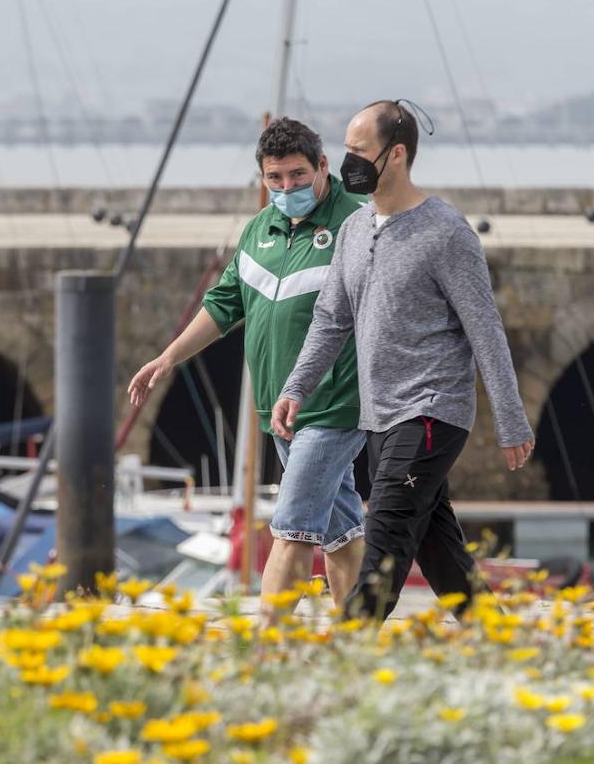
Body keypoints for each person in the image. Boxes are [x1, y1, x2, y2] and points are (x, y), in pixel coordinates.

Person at [273, 100, 536, 621]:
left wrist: (511, 420)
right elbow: (331, 320)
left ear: (395, 155)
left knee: (386, 544)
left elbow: (485, 330)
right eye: (345, 150)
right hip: (381, 416)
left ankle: (349, 662)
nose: (348, 162)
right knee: (439, 553)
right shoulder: (353, 229)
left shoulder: (446, 233)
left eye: (358, 151)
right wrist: (295, 387)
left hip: (432, 413)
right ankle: (502, 643)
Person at [128, 118, 366, 619]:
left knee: (292, 527)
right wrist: (168, 357)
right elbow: (224, 304)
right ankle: (361, 637)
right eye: (275, 178)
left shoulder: (357, 223)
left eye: (298, 175)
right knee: (342, 531)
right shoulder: (260, 228)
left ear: (323, 166)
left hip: (336, 402)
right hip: (277, 406)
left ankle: (264, 648)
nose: (287, 188)